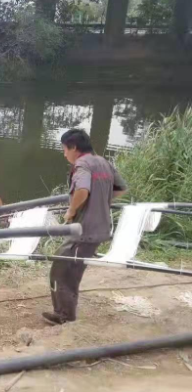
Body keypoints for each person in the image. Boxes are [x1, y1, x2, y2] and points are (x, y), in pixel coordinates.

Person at [43, 129, 127, 326]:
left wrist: (71, 211)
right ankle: (65, 313)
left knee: (62, 272)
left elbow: (82, 190)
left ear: (73, 148)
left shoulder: (82, 164)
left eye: (64, 149)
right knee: (70, 270)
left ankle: (64, 317)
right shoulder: (104, 162)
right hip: (99, 228)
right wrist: (100, 198)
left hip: (84, 231)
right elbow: (121, 188)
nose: (64, 154)